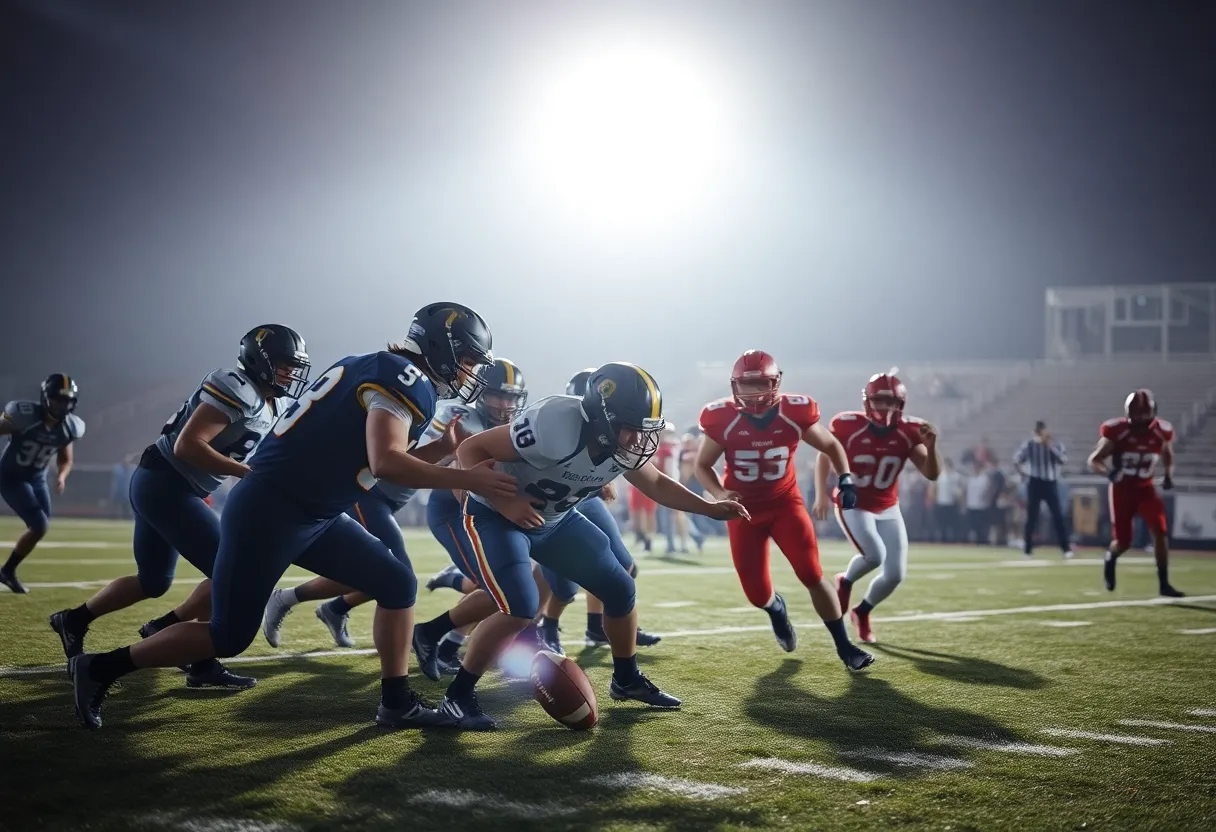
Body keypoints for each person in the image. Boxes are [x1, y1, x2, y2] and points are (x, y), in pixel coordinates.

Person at [68, 302, 516, 731]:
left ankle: (396, 703)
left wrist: (440, 451)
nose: (470, 373)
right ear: (440, 347)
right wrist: (469, 478)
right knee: (228, 636)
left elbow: (374, 460)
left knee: (396, 583)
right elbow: (386, 464)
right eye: (468, 360)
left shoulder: (378, 367)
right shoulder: (404, 379)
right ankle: (99, 668)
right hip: (273, 511)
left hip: (313, 511)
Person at [423, 362, 748, 729]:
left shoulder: (621, 443)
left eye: (645, 430)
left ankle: (626, 679)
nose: (638, 440)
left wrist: (709, 507)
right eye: (631, 428)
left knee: (620, 588)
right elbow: (471, 448)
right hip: (496, 517)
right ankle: (457, 697)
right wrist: (504, 502)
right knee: (520, 608)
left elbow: (656, 483)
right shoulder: (555, 423)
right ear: (602, 419)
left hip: (555, 520)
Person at [51, 326, 310, 690]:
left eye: (294, 366)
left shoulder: (274, 404)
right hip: (167, 484)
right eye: (284, 364)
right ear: (259, 360)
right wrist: (246, 473)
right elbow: (187, 446)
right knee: (232, 571)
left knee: (153, 580)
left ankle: (74, 619)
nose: (291, 373)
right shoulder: (238, 387)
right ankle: (197, 659)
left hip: (168, 485)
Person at [258, 359, 526, 649]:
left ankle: (331, 607)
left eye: (511, 398)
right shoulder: (460, 417)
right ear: (482, 394)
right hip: (370, 493)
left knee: (380, 571)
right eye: (499, 395)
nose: (505, 405)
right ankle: (289, 599)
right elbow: (441, 469)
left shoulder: (499, 426)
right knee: (396, 574)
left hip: (394, 497)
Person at [694, 350, 874, 671]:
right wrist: (720, 494)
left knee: (811, 573)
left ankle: (845, 647)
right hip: (742, 510)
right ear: (735, 386)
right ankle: (776, 609)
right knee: (756, 594)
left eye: (761, 383)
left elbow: (831, 445)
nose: (754, 392)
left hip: (784, 504)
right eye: (747, 385)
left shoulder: (793, 412)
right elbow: (702, 466)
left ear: (775, 383)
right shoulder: (723, 418)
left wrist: (845, 478)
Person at [817, 369, 942, 644]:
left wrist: (932, 448)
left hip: (887, 505)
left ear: (901, 405)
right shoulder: (847, 425)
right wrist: (821, 493)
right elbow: (825, 453)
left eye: (891, 402)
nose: (884, 407)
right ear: (867, 401)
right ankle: (846, 581)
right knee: (874, 556)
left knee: (895, 574)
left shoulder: (910, 431)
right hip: (854, 502)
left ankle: (862, 611)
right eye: (879, 400)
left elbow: (931, 474)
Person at [1087, 389, 1182, 597]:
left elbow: (1167, 453)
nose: (1140, 422)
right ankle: (1111, 557)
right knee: (1123, 542)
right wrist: (1109, 473)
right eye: (1136, 417)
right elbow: (1094, 460)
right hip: (1122, 490)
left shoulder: (1161, 431)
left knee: (1160, 530)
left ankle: (1164, 583)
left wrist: (1168, 474)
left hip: (1146, 489)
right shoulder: (1117, 431)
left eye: (1143, 417)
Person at [0, 374, 86, 593]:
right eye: (57, 399)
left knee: (40, 528)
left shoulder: (69, 427)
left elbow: (66, 459)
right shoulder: (25, 416)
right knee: (39, 525)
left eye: (66, 400)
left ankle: (7, 571)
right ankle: (8, 571)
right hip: (11, 477)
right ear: (46, 397)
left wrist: (61, 476)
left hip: (37, 479)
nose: (62, 404)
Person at [1014, 421, 1073, 558]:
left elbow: (1062, 460)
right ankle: (1027, 550)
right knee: (1031, 517)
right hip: (1034, 481)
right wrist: (1023, 474)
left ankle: (1066, 548)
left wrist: (1049, 445)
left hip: (1050, 482)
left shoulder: (1055, 444)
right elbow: (1017, 459)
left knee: (1057, 515)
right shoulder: (1029, 444)